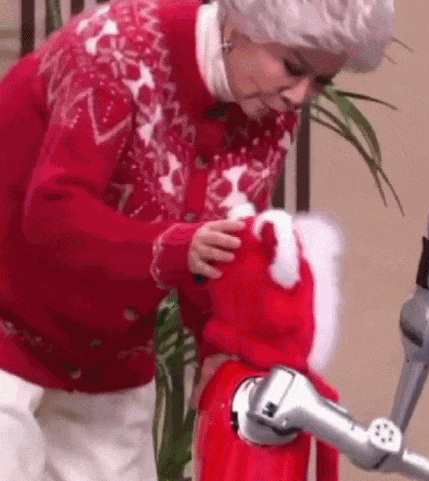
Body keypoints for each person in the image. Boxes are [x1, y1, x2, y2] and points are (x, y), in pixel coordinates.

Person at [0, 0, 394, 479]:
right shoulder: (115, 50)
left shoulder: (270, 114)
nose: (299, 96)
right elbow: (53, 212)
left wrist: (220, 346)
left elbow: (220, 250)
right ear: (242, 23)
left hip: (108, 357)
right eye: (293, 68)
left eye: (321, 82)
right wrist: (174, 249)